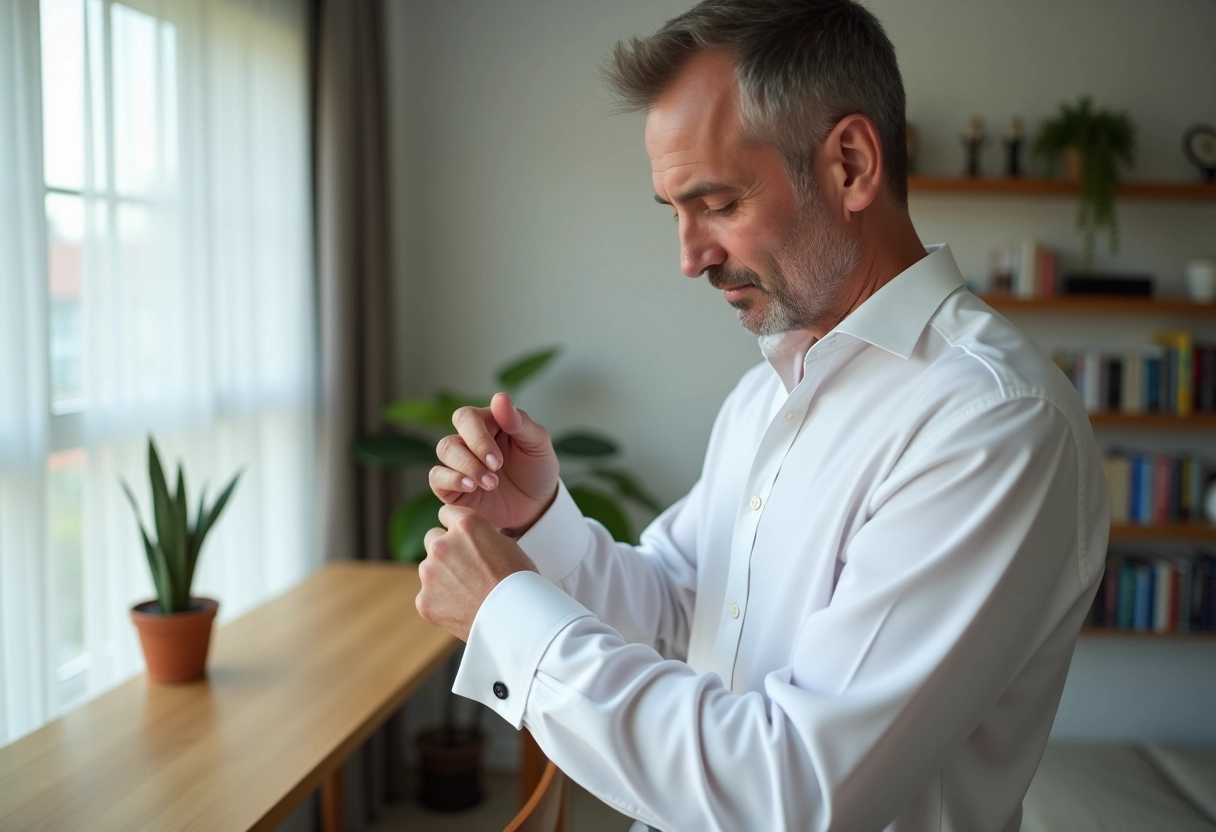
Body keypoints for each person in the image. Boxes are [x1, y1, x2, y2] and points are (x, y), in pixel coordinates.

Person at [413, 1, 1109, 829]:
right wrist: (535, 522)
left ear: (851, 165)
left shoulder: (992, 426)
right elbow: (680, 613)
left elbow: (796, 791)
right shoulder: (766, 393)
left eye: (717, 203)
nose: (688, 256)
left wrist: (509, 618)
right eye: (673, 211)